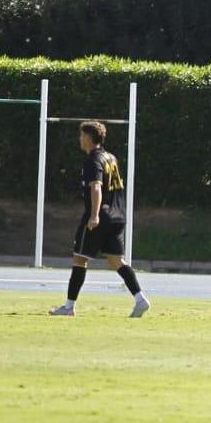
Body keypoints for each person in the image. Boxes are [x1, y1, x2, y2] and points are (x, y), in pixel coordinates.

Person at [50, 121, 150, 318]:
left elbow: (96, 187)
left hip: (100, 216)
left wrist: (94, 215)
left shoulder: (93, 160)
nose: (80, 139)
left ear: (88, 137)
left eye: (81, 136)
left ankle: (69, 307)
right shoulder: (110, 157)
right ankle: (140, 299)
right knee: (116, 261)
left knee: (80, 259)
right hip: (117, 216)